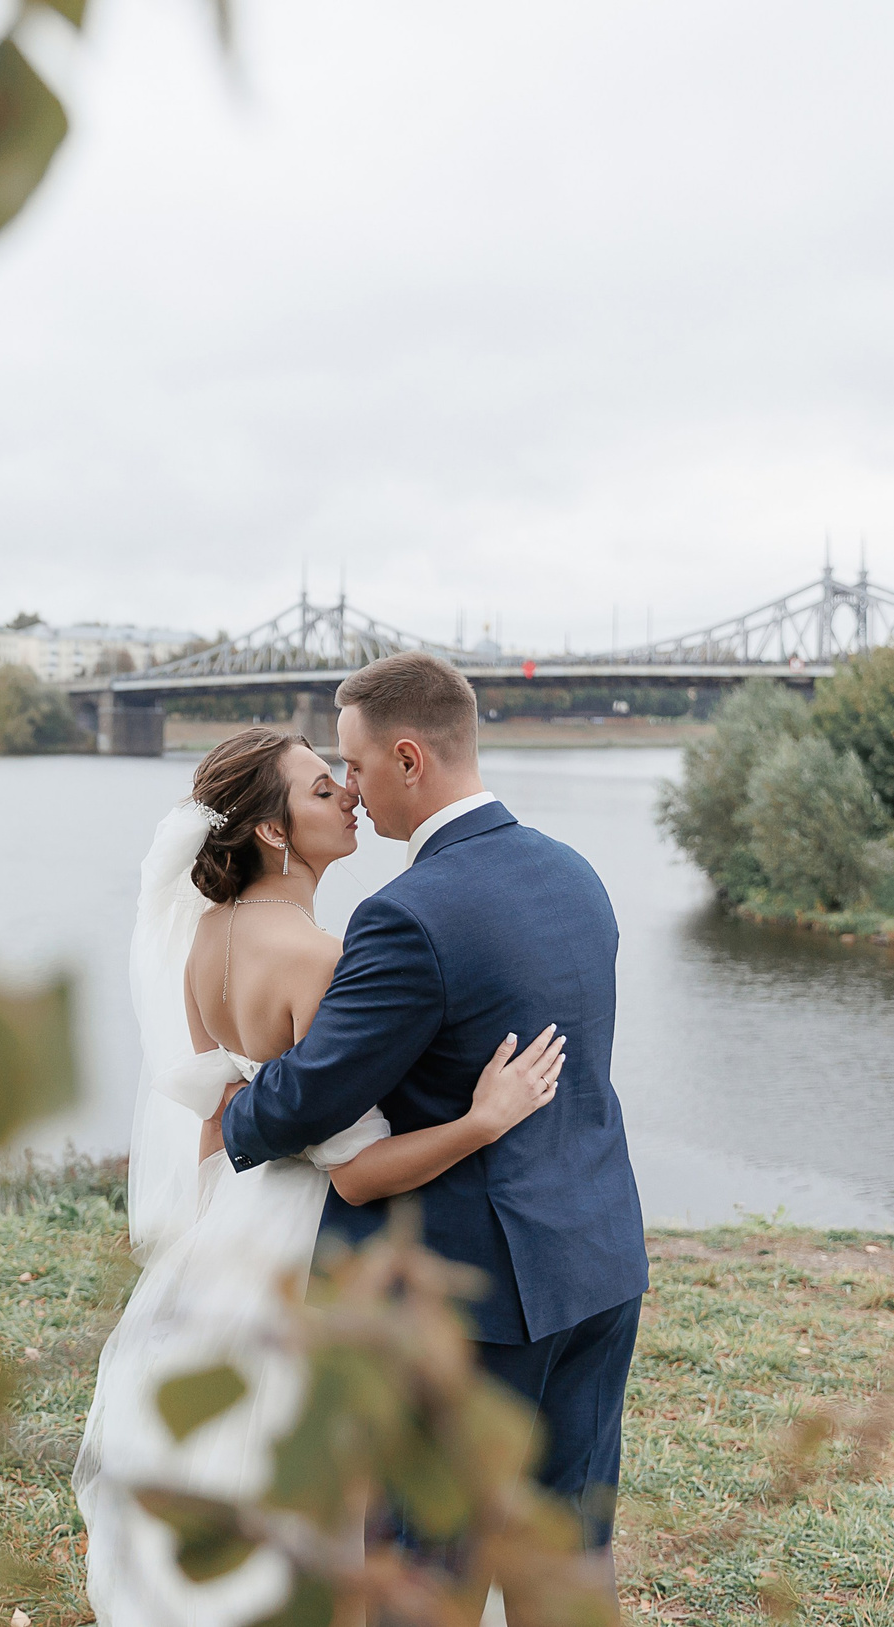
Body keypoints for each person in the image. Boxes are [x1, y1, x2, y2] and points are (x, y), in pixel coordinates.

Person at [75, 724, 568, 1626]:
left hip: (228, 1233)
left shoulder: (207, 939)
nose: (348, 793)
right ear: (271, 832)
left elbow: (218, 1124)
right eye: (318, 790)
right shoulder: (320, 957)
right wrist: (482, 1120)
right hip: (308, 1244)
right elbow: (357, 1176)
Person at [218, 652, 649, 1587]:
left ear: (409, 758)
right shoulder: (576, 875)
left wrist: (235, 1112)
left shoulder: (406, 916)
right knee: (567, 1558)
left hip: (471, 1302)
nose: (355, 794)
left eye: (359, 767)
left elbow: (314, 1096)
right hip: (599, 1265)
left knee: (427, 1569)